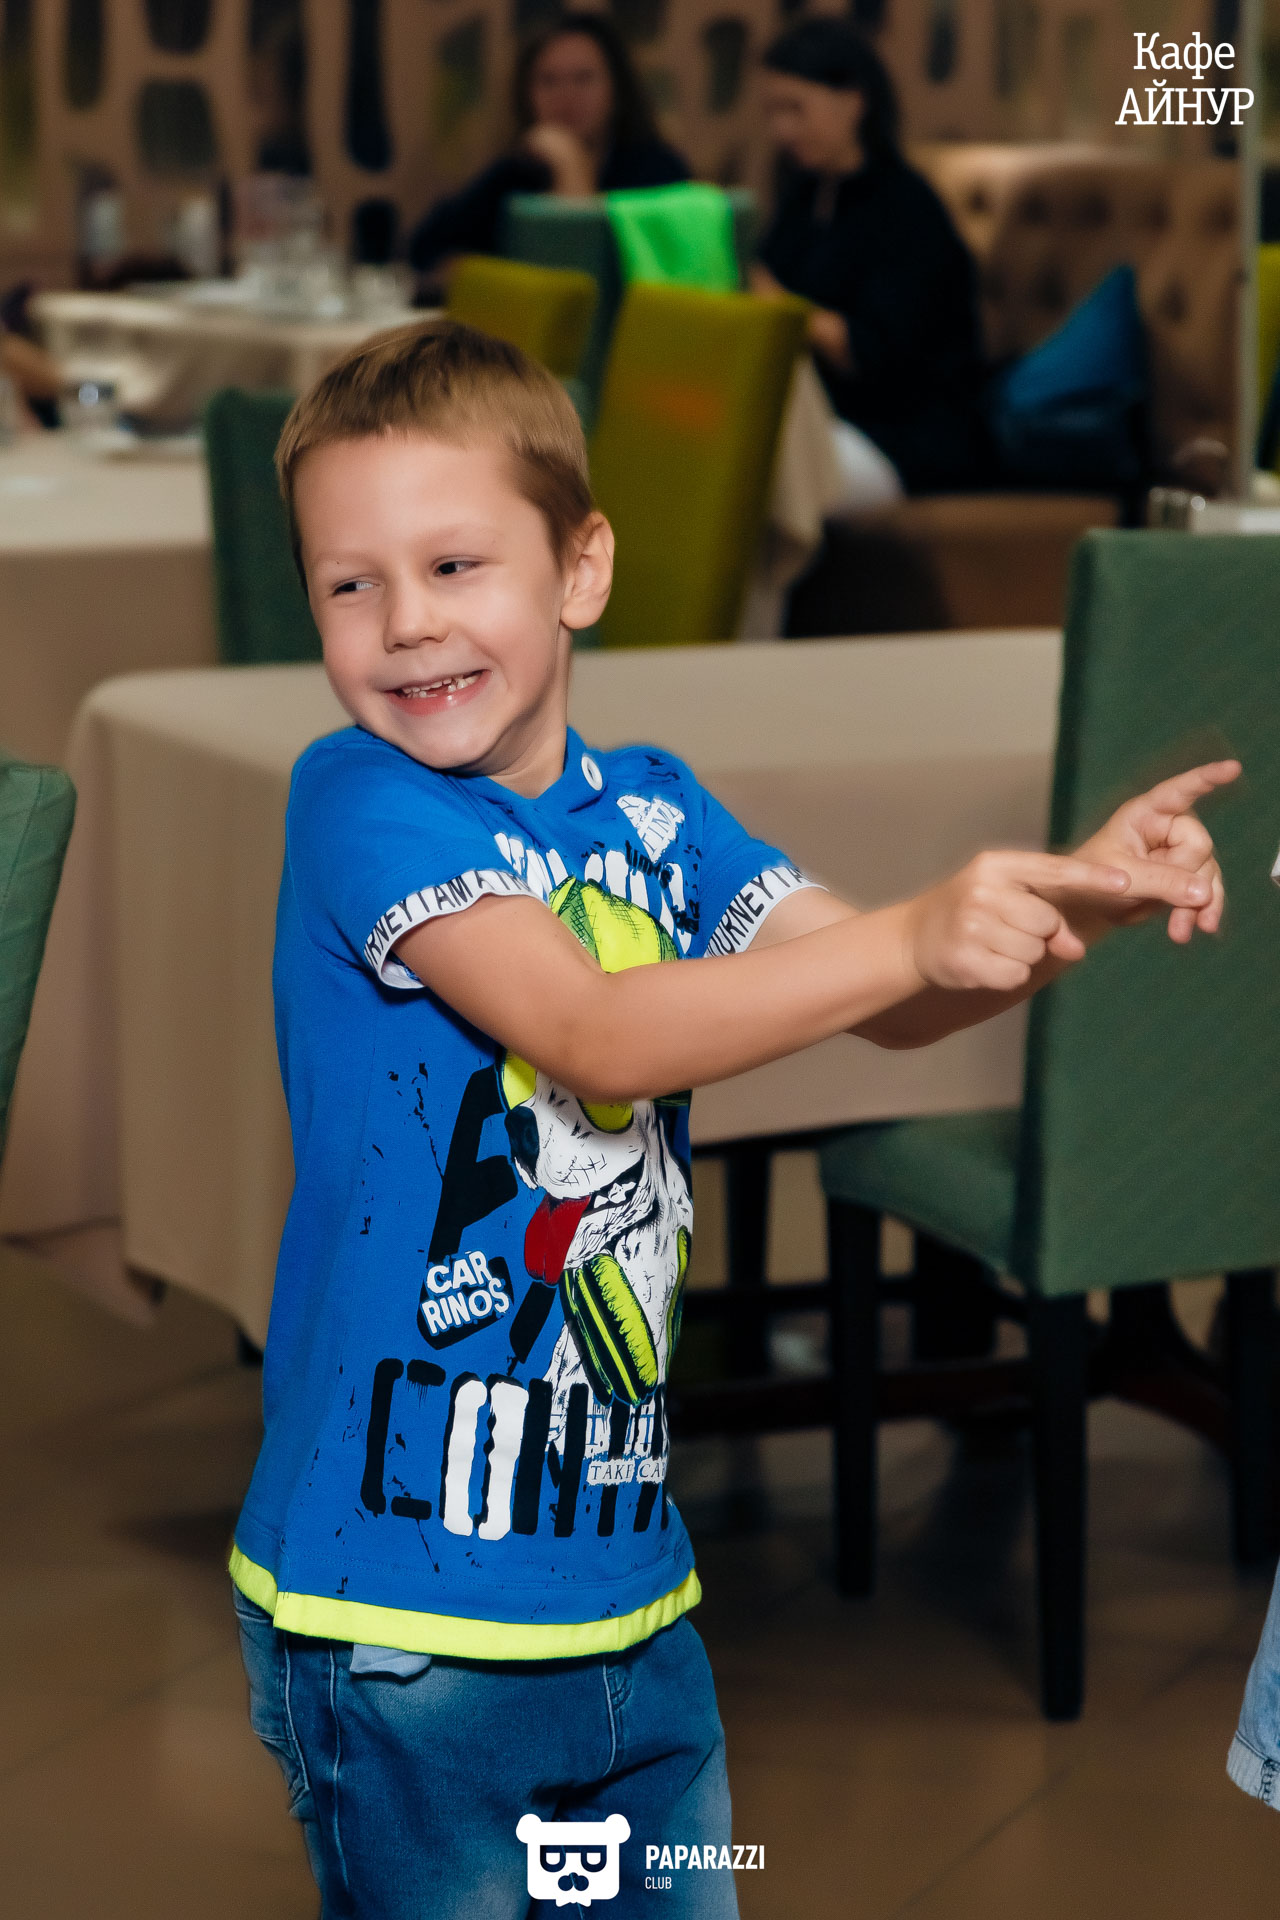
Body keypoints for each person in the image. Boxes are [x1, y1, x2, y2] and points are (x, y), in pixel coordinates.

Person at [229, 317, 1235, 1918]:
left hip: (630, 1595)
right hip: (402, 1623)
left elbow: (887, 995)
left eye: (456, 565)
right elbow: (591, 1030)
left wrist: (1068, 909)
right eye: (352, 585)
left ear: (581, 567)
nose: (407, 624)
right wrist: (913, 935)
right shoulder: (362, 800)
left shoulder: (657, 809)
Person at [751, 18, 990, 502]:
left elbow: (875, 354)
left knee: (757, 476)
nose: (782, 130)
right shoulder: (805, 195)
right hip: (827, 423)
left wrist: (782, 307)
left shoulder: (906, 207)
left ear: (853, 102)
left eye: (796, 108)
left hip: (904, 436)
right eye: (773, 112)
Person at [408, 12, 690, 278]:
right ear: (527, 93)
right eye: (549, 81)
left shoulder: (658, 172)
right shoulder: (517, 172)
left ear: (616, 88)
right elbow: (425, 250)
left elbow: (593, 276)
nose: (566, 95)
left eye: (583, 78)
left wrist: (570, 166)